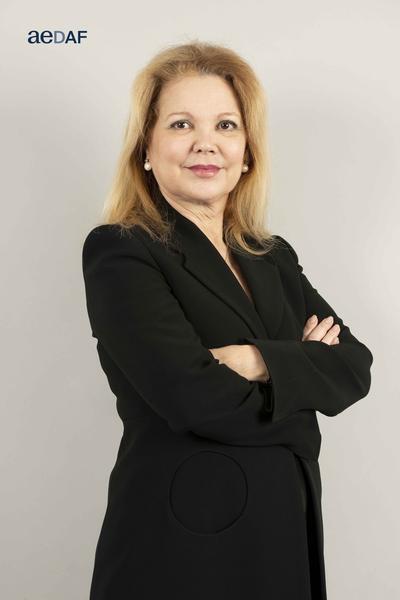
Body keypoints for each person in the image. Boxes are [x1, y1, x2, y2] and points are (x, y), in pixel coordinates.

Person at [82, 40, 373, 600]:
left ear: (246, 153)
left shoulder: (272, 256)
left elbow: (354, 367)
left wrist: (256, 360)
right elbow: (190, 397)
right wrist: (301, 397)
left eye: (225, 125)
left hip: (283, 534)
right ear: (146, 149)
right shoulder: (122, 251)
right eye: (181, 124)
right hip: (183, 541)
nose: (205, 143)